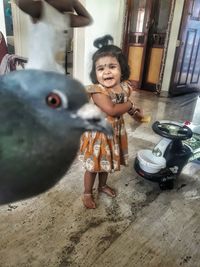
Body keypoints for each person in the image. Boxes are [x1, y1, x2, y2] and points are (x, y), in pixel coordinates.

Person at [79, 36, 143, 209]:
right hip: (98, 136)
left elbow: (125, 104)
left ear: (122, 69)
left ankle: (102, 186)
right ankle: (87, 192)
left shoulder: (124, 87)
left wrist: (135, 112)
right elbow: (112, 110)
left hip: (114, 133)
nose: (106, 72)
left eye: (112, 67)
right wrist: (129, 105)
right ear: (95, 73)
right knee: (93, 167)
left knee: (106, 164)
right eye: (100, 68)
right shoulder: (97, 91)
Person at [14, 0, 92, 73]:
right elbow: (22, 3)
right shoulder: (41, 9)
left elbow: (87, 20)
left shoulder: (66, 18)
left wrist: (74, 2)